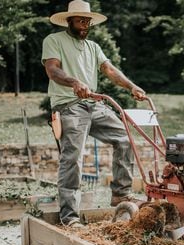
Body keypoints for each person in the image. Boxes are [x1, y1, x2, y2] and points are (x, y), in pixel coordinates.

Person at [42, 0, 145, 228]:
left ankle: (121, 194)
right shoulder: (54, 40)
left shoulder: (93, 47)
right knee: (73, 159)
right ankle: (70, 217)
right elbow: (52, 69)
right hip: (69, 106)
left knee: (125, 138)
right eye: (80, 20)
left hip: (94, 105)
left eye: (87, 21)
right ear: (69, 20)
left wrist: (131, 86)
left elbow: (109, 70)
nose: (85, 25)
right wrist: (73, 81)